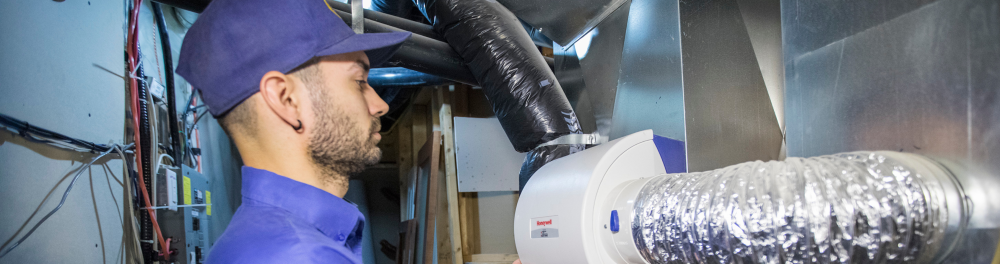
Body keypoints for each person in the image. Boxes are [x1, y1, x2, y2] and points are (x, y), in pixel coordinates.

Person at [175, 0, 409, 262]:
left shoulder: (243, 244)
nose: (381, 105)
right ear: (286, 100)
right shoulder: (304, 256)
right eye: (359, 82)